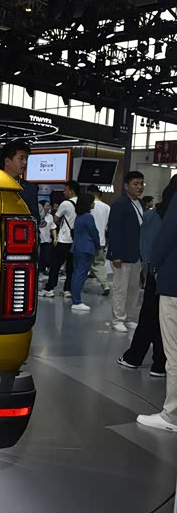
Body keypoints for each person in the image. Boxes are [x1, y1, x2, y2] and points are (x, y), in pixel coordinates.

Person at [119, 179, 176, 378]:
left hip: (158, 272)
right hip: (170, 276)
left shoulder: (153, 215)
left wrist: (148, 268)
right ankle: (159, 362)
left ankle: (135, 357)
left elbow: (148, 245)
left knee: (150, 316)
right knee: (165, 322)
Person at [137, 177, 177, 432]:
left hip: (174, 284)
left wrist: (153, 266)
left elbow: (167, 236)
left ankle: (172, 415)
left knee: (174, 352)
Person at [107, 171, 145, 333]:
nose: (139, 187)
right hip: (122, 255)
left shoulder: (141, 203)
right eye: (136, 184)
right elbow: (114, 230)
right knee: (120, 288)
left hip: (138, 254)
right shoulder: (119, 204)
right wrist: (115, 254)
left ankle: (128, 317)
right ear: (126, 186)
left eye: (141, 184)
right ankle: (118, 319)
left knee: (134, 289)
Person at [41, 181, 79, 299]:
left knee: (55, 265)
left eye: (66, 190)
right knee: (70, 267)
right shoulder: (82, 203)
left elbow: (56, 219)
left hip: (64, 239)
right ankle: (68, 290)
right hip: (75, 240)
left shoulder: (66, 203)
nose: (64, 192)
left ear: (71, 191)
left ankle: (50, 288)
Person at [0, 140, 39, 224]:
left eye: (26, 159)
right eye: (21, 158)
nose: (25, 162)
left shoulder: (30, 188)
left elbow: (35, 218)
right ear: (7, 161)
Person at [69, 194, 101, 311]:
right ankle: (77, 301)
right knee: (81, 275)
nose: (94, 203)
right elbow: (94, 233)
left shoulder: (79, 217)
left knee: (76, 274)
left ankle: (75, 298)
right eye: (92, 201)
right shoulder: (88, 217)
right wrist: (98, 246)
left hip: (77, 248)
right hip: (86, 248)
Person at [86, 185, 111, 296]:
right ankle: (105, 285)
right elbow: (108, 226)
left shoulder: (88, 206)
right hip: (101, 240)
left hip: (87, 241)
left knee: (82, 265)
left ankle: (75, 287)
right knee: (99, 264)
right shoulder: (107, 207)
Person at [38, 200, 56, 277]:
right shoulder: (37, 216)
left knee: (46, 259)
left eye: (49, 206)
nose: (48, 207)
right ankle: (39, 275)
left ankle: (42, 271)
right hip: (39, 242)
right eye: (47, 206)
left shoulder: (50, 216)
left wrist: (55, 238)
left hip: (47, 241)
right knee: (39, 259)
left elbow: (53, 227)